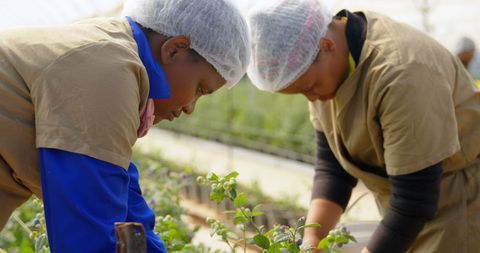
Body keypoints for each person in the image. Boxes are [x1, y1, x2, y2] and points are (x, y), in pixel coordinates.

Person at [0, 0, 250, 252]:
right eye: (199, 89)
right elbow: (88, 236)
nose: (190, 107)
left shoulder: (111, 57)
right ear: (175, 50)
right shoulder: (106, 72)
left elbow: (123, 198)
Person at [246, 0, 480, 252]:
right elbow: (333, 166)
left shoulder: (402, 73)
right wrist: (311, 241)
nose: (312, 99)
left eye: (310, 88)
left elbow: (414, 200)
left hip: (456, 207)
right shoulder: (326, 64)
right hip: (403, 211)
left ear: (326, 46)